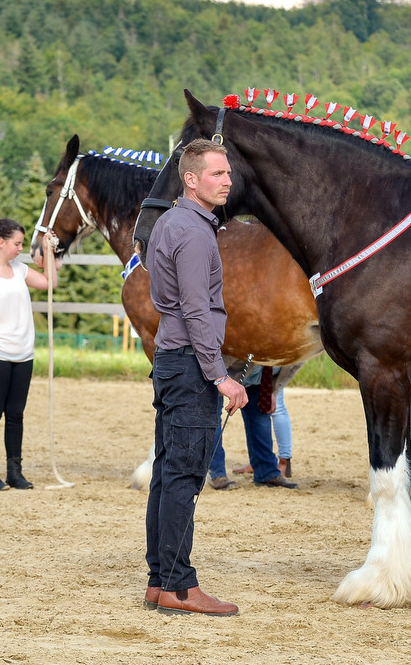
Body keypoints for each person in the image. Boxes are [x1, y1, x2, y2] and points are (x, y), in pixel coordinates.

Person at [144, 138, 248, 617]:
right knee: (183, 476)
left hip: (173, 359)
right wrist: (220, 376)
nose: (227, 180)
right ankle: (179, 588)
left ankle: (159, 581)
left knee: (168, 475)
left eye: (227, 173)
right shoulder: (194, 231)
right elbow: (195, 309)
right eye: (217, 174)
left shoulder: (171, 222)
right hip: (188, 363)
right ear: (191, 179)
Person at [0, 215, 61, 492]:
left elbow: (49, 283)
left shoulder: (19, 270)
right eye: (17, 243)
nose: (21, 248)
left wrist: (49, 251)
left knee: (16, 414)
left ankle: (14, 471)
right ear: (1, 242)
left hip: (23, 354)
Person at [209, 364, 298, 490]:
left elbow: (294, 366)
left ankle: (266, 472)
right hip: (223, 368)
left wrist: (274, 391)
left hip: (258, 374)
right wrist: (219, 377)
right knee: (212, 417)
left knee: (260, 415)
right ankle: (217, 474)